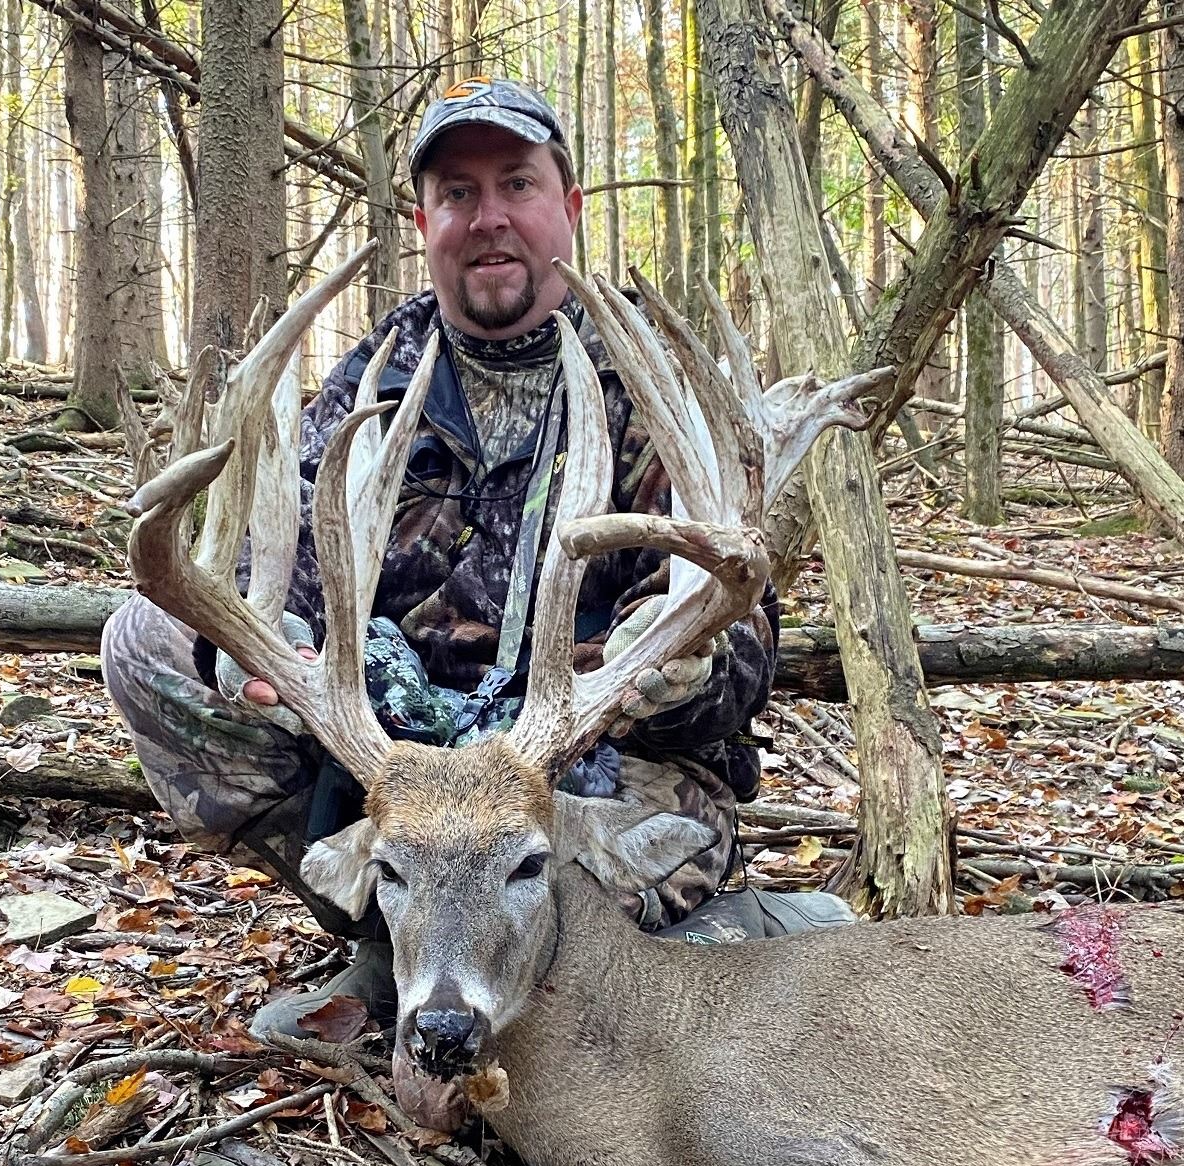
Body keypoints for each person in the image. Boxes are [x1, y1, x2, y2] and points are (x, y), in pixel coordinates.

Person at [101, 77, 852, 1039]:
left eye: (516, 184)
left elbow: (744, 632)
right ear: (426, 222)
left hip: (588, 775)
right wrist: (257, 643)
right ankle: (401, 942)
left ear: (568, 205)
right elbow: (267, 565)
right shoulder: (374, 380)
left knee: (622, 968)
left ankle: (718, 940)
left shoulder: (654, 386)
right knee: (149, 640)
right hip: (402, 773)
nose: (489, 217)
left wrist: (670, 667)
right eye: (458, 192)